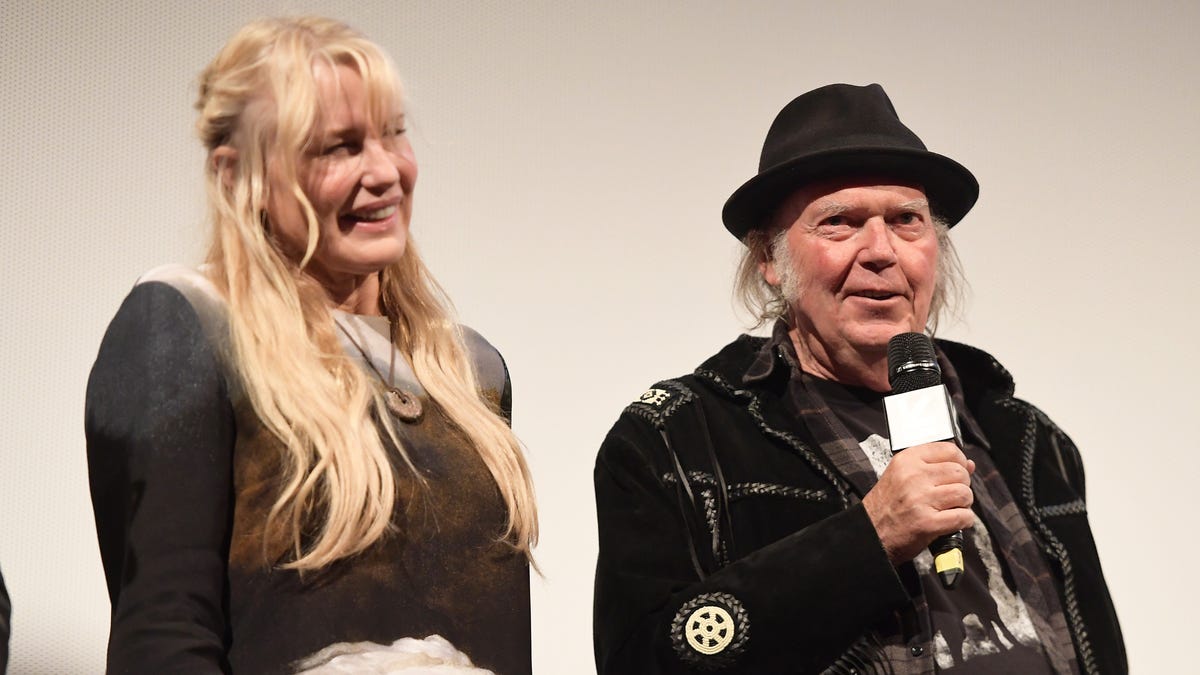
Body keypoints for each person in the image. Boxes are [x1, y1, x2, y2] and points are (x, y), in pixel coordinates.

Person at [593, 83, 1124, 674]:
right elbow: (641, 661)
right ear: (770, 258)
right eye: (839, 222)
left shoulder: (1026, 438)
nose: (880, 251)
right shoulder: (675, 440)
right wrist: (868, 539)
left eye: (906, 221)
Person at [85, 17, 536, 674]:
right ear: (239, 174)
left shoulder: (468, 369)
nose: (384, 171)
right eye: (338, 147)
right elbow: (164, 631)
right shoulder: (190, 326)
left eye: (393, 133)